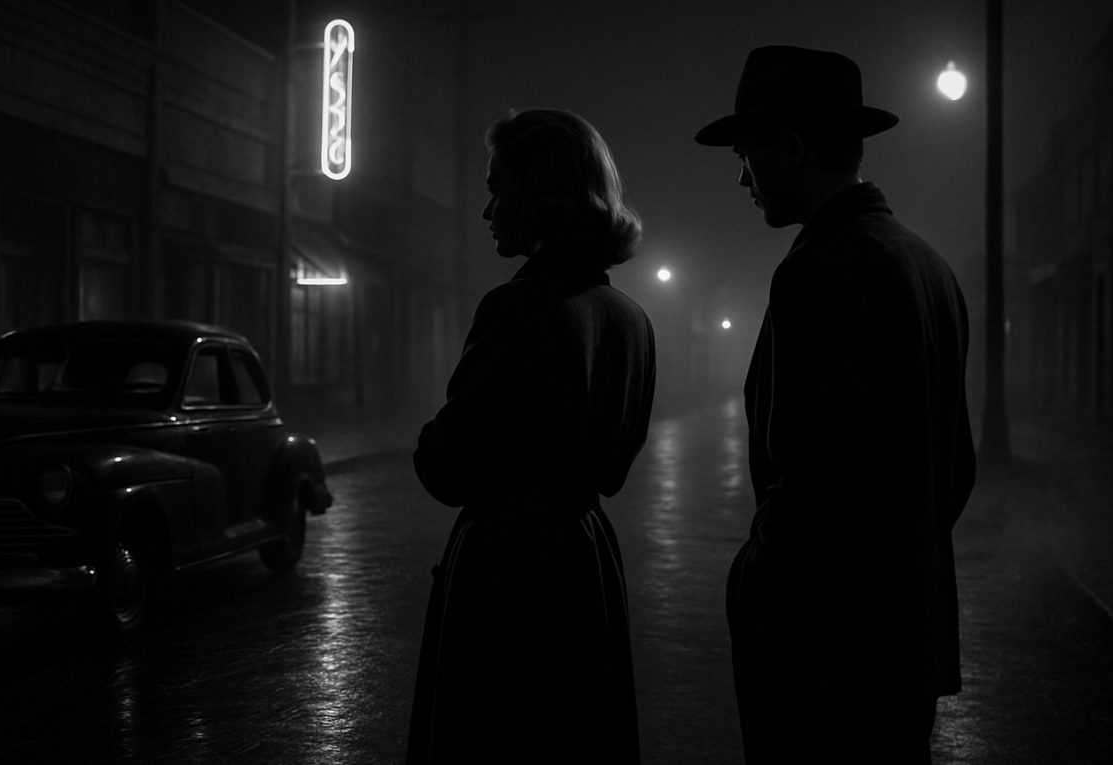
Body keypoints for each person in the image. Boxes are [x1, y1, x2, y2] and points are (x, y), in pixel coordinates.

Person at [694, 46, 977, 763]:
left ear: (789, 148)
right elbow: (957, 470)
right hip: (905, 643)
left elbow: (809, 484)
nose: (741, 176)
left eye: (747, 152)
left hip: (823, 654)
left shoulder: (822, 269)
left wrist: (755, 584)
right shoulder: (928, 264)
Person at [407, 108, 655, 764]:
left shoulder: (518, 310)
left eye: (497, 188)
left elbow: (446, 466)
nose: (488, 211)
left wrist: (433, 435)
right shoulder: (630, 319)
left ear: (540, 195)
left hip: (506, 570)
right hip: (586, 560)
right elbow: (614, 467)